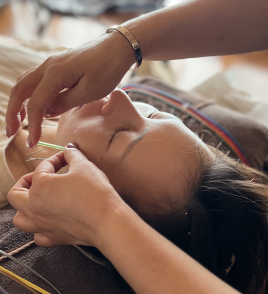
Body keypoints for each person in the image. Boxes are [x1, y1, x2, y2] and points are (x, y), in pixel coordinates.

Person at [5, 0, 268, 293]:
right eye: (151, 113)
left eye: (117, 135)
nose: (121, 98)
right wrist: (123, 43)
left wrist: (102, 216)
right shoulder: (47, 70)